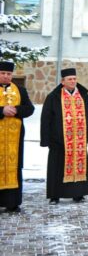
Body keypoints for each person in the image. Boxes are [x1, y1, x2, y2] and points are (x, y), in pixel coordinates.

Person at [40, 68, 88, 204]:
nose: (72, 81)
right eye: (69, 79)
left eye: (74, 79)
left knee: (79, 166)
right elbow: (45, 119)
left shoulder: (83, 96)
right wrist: (46, 139)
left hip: (79, 142)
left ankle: (78, 193)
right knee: (57, 168)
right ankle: (55, 196)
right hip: (58, 141)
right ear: (63, 81)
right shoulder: (53, 97)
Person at [0, 62, 34, 213]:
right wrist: (2, 110)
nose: (6, 76)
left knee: (14, 167)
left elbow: (30, 109)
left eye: (8, 74)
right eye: (3, 73)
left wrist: (16, 110)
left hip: (15, 138)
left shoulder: (20, 90)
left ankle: (12, 203)